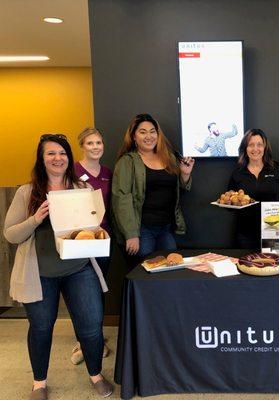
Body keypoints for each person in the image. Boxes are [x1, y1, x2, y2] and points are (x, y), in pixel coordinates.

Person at [3, 134, 113, 400]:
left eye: (62, 153)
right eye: (51, 153)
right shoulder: (26, 192)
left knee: (90, 326)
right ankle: (39, 383)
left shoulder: (82, 190)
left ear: (68, 157)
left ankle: (96, 374)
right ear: (42, 159)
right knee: (41, 328)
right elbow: (10, 234)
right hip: (39, 274)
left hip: (80, 269)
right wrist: (35, 218)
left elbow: (90, 227)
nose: (58, 158)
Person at [112, 113, 194, 263]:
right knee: (145, 273)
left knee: (170, 269)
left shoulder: (168, 157)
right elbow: (121, 199)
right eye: (142, 132)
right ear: (134, 137)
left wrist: (185, 174)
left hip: (165, 228)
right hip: (142, 230)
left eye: (152, 131)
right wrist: (131, 234)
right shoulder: (127, 162)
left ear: (158, 134)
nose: (148, 136)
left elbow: (179, 191)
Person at [70, 128, 112, 365]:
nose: (95, 147)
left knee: (98, 289)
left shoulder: (107, 172)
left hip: (103, 238)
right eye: (90, 143)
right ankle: (81, 342)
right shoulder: (73, 171)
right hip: (80, 239)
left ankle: (97, 341)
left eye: (98, 142)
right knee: (80, 293)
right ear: (82, 146)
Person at [228, 128, 279, 248]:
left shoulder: (277, 169)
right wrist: (231, 202)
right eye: (251, 145)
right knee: (247, 265)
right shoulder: (238, 172)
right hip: (245, 232)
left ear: (265, 147)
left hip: (274, 229)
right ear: (245, 148)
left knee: (274, 265)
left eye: (259, 145)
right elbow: (231, 204)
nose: (255, 149)